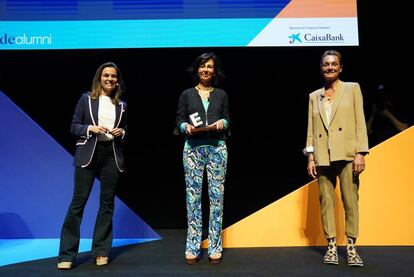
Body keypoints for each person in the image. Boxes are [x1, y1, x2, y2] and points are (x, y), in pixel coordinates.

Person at [57, 62, 127, 270]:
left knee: (107, 204)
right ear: (99, 78)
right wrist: (91, 128)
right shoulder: (86, 99)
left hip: (110, 155)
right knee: (78, 203)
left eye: (113, 76)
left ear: (117, 81)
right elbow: (74, 126)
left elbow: (124, 128)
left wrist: (121, 133)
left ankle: (101, 251)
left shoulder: (122, 105)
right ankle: (66, 255)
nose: (109, 79)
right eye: (106, 75)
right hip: (89, 153)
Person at [303, 50, 369, 267]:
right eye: (326, 64)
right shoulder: (315, 96)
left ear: (341, 67)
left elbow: (360, 121)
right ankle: (331, 246)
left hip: (348, 154)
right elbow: (311, 129)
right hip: (323, 155)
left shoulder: (352, 88)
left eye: (334, 64)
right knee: (326, 201)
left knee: (351, 201)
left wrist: (361, 153)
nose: (329, 67)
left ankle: (351, 247)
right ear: (321, 68)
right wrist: (311, 156)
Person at [175, 52, 230, 265]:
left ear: (214, 71)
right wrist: (184, 126)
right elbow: (179, 118)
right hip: (193, 150)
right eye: (202, 66)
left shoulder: (221, 94)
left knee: (216, 201)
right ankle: (193, 246)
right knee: (193, 200)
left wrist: (222, 124)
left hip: (217, 149)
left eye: (210, 66)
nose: (206, 70)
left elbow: (227, 118)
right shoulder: (187, 94)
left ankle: (215, 247)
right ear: (197, 69)